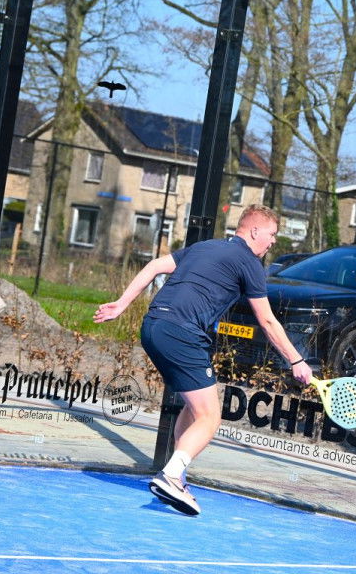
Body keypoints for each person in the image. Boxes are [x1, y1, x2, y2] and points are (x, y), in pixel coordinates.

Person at [94, 204, 312, 516]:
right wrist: (296, 360)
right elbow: (266, 321)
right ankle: (170, 476)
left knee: (193, 406)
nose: (274, 241)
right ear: (254, 231)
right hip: (182, 333)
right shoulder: (250, 262)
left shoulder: (204, 246)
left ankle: (177, 477)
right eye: (272, 234)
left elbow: (154, 266)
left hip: (153, 326)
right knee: (210, 417)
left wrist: (121, 304)